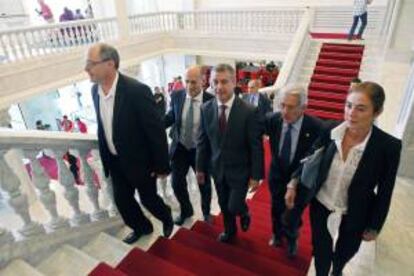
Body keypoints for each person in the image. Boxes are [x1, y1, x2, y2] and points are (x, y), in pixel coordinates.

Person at [285, 82, 401, 275]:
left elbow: (385, 190)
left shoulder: (388, 147)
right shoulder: (330, 129)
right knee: (321, 251)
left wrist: (375, 225)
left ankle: (337, 270)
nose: (351, 113)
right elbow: (310, 158)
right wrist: (293, 182)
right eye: (348, 105)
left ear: (377, 112)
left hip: (356, 211)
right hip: (322, 203)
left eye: (360, 108)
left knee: (345, 252)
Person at [86, 43, 173, 244]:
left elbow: (156, 132)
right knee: (122, 202)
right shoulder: (94, 91)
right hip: (115, 162)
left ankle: (166, 216)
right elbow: (104, 125)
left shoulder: (137, 91)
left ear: (110, 64)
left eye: (91, 64)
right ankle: (142, 227)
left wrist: (161, 166)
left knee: (149, 200)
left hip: (139, 162)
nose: (86, 69)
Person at [196, 64, 264, 243]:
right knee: (224, 205)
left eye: (224, 82)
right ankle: (230, 231)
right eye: (215, 82)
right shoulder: (206, 109)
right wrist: (200, 168)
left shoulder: (249, 111)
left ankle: (244, 212)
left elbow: (255, 146)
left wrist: (256, 176)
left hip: (241, 171)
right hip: (217, 169)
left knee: (234, 206)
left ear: (234, 82)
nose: (219, 87)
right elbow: (203, 141)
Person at [264, 84, 324, 258]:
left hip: (300, 181)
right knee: (276, 208)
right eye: (282, 105)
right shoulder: (272, 120)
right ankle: (276, 234)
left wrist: (295, 181)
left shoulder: (316, 127)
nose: (284, 111)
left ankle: (291, 239)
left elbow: (312, 158)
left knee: (293, 215)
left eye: (290, 107)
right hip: (276, 176)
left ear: (303, 108)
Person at [165, 66, 214, 225]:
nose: (189, 86)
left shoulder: (211, 101)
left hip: (200, 151)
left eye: (193, 82)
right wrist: (155, 125)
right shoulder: (177, 95)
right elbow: (172, 116)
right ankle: (186, 210)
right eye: (186, 81)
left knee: (204, 185)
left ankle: (206, 213)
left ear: (203, 81)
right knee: (176, 182)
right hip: (180, 147)